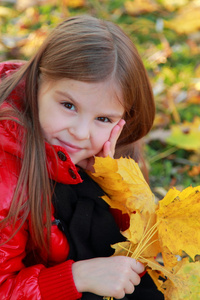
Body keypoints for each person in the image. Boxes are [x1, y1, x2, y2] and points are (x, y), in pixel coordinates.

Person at [0, 15, 163, 300]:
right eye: (68, 105)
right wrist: (76, 278)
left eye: (102, 118)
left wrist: (111, 179)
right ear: (37, 83)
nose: (80, 133)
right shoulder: (6, 176)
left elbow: (141, 243)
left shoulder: (105, 147)